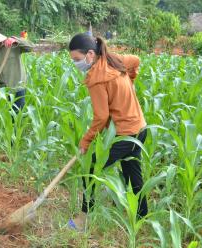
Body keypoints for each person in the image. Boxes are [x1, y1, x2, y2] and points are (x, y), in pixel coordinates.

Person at [67, 34, 147, 230]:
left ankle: (84, 218)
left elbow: (101, 118)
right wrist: (131, 78)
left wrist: (85, 142)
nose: (76, 64)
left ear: (91, 54)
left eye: (77, 59)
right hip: (140, 129)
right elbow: (135, 61)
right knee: (132, 173)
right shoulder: (115, 60)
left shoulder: (96, 79)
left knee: (91, 168)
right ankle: (142, 216)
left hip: (125, 134)